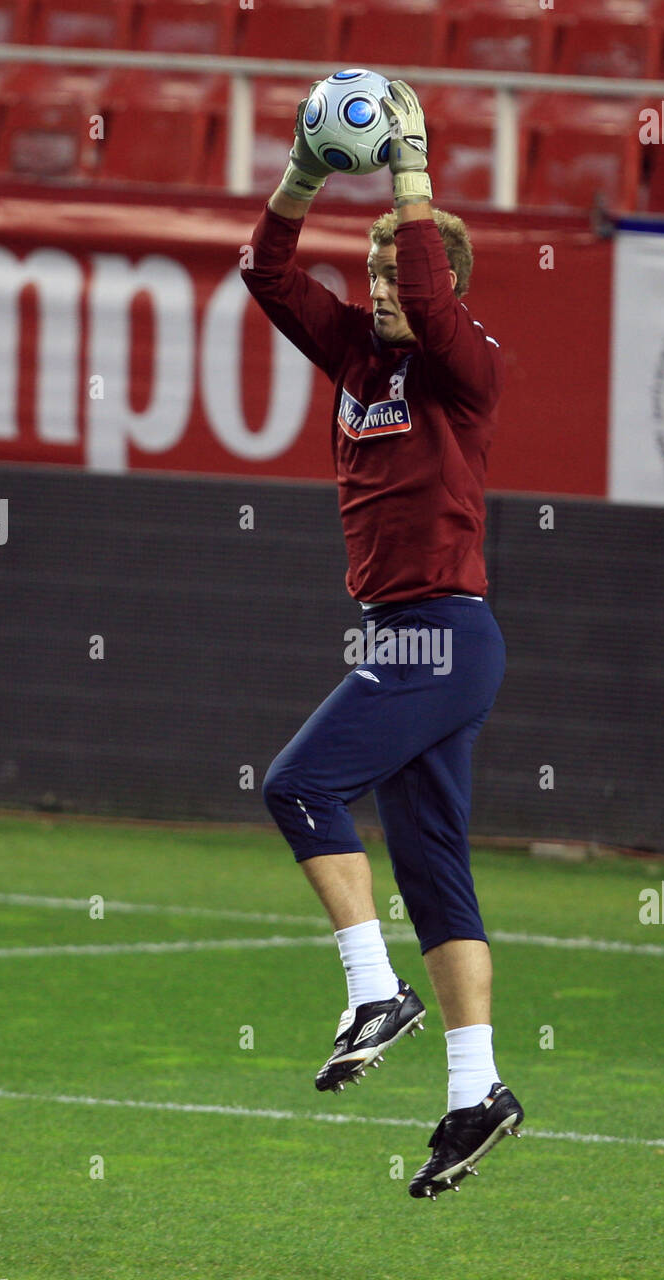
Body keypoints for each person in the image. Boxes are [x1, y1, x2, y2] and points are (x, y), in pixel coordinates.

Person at [240, 79, 523, 1200]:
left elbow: (417, 270)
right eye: (367, 275)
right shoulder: (358, 357)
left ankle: (371, 989)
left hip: (441, 636)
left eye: (396, 275)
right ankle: (475, 1091)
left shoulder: (465, 364)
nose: (376, 290)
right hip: (405, 634)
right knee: (436, 877)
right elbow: (266, 274)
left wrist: (409, 165)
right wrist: (305, 172)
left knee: (300, 784)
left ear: (447, 286)